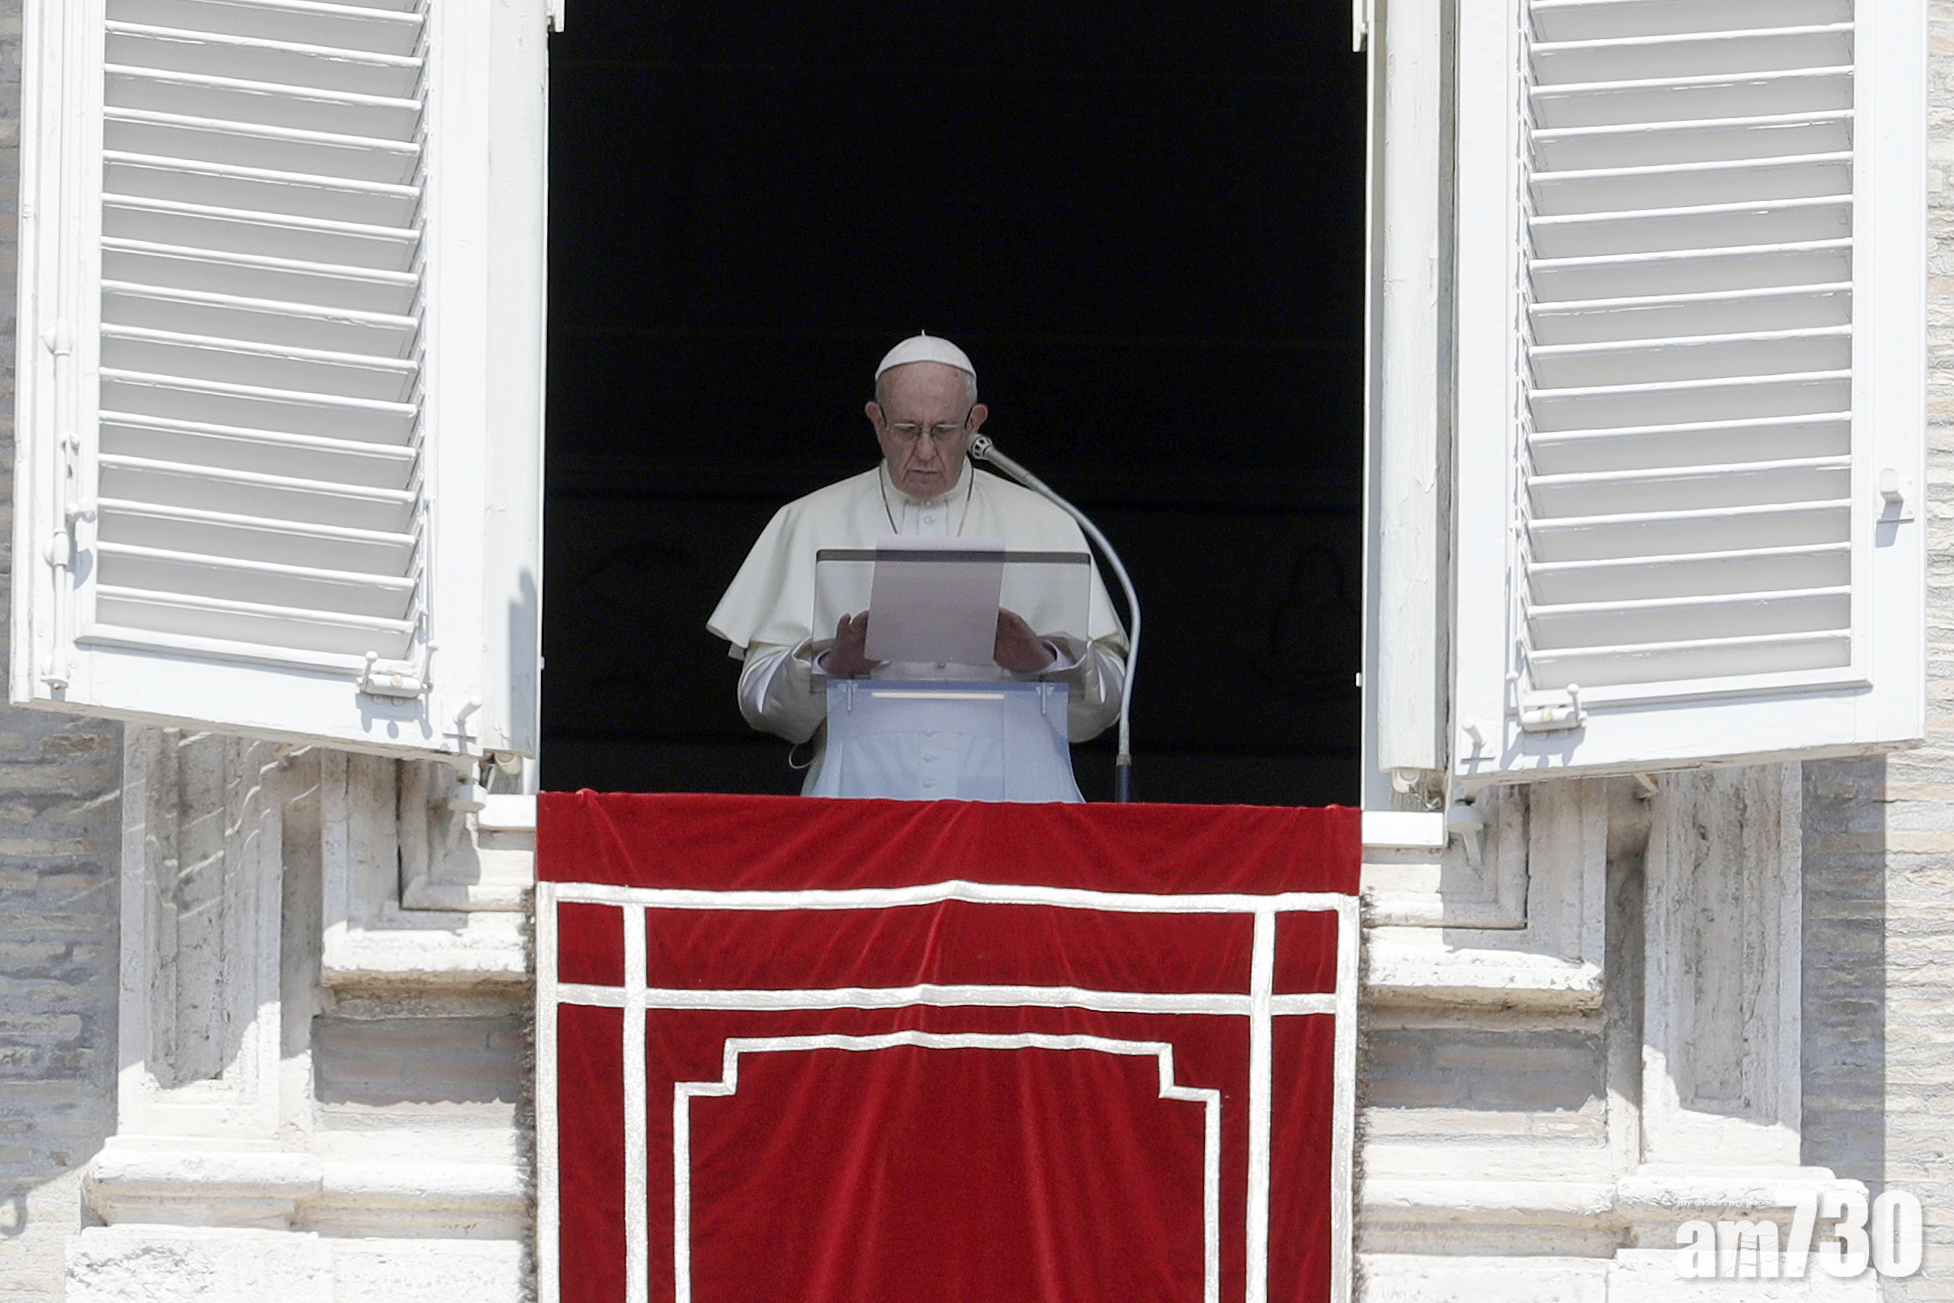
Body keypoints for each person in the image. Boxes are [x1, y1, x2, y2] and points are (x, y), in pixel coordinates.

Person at [708, 334, 1128, 794]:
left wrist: (1045, 662)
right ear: (876, 421)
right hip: (860, 791)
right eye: (907, 430)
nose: (926, 452)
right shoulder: (807, 520)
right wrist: (830, 664)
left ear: (974, 423)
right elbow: (759, 706)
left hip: (1019, 795)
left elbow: (1104, 709)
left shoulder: (1046, 519)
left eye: (945, 431)